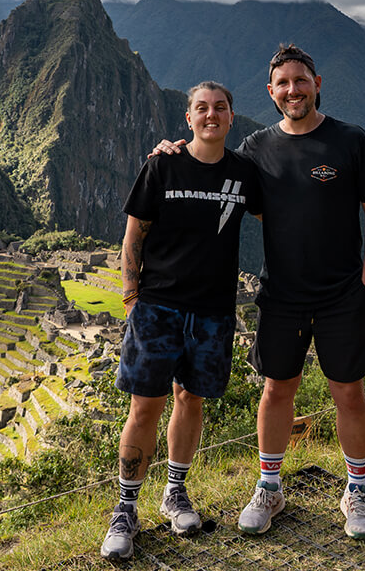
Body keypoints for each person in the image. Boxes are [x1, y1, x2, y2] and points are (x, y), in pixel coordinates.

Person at [154, 44, 365, 540]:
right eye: (282, 83)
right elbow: (211, 170)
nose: (292, 90)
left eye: (300, 80)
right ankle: (269, 486)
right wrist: (170, 154)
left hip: (342, 292)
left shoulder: (350, 141)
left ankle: (358, 492)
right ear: (271, 92)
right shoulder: (257, 148)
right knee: (276, 388)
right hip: (281, 293)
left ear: (317, 82)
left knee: (348, 390)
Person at [100, 81, 262, 561]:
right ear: (188, 118)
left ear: (232, 117)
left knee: (190, 400)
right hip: (158, 308)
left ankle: (175, 492)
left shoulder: (244, 174)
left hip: (213, 311)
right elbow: (133, 238)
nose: (211, 115)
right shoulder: (162, 165)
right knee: (144, 408)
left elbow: (282, 212)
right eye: (201, 108)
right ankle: (125, 509)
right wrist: (132, 301)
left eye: (220, 108)